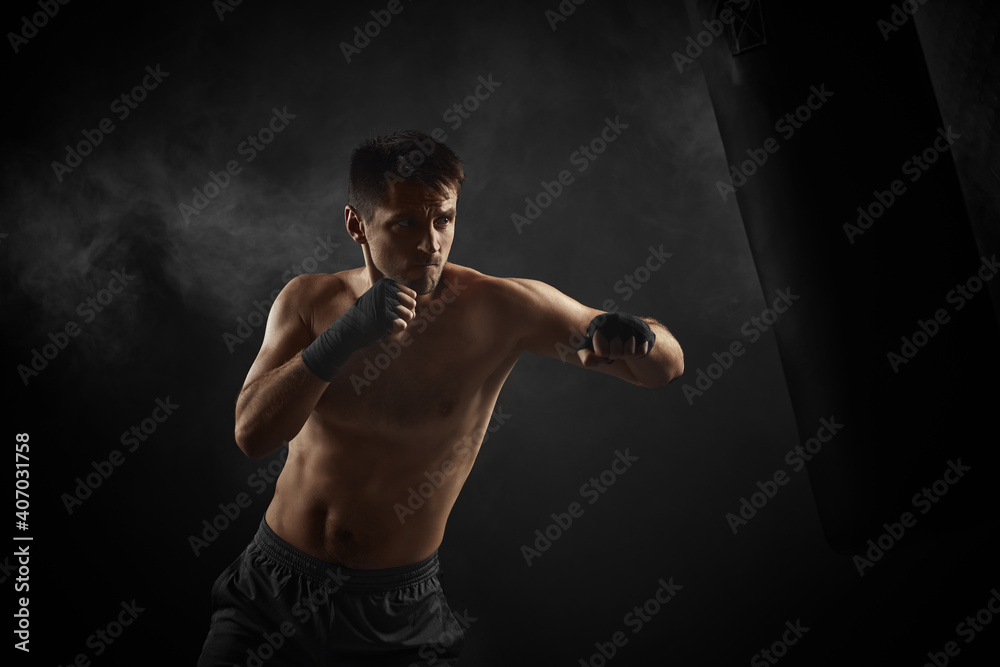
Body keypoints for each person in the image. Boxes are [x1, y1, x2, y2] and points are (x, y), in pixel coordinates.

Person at [198, 130, 684, 666]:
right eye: (406, 223)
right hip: (271, 594)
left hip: (398, 614)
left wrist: (636, 333)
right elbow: (252, 435)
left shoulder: (498, 309)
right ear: (357, 223)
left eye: (444, 219)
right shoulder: (310, 300)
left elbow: (664, 368)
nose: (430, 243)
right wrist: (343, 338)